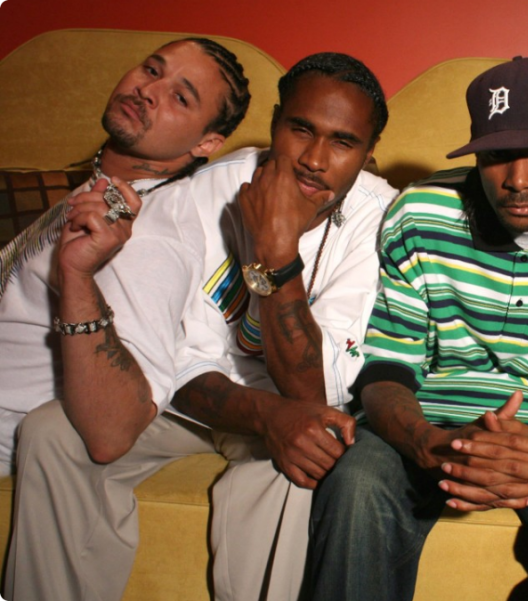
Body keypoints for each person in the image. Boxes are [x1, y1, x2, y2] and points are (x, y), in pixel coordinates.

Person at [4, 52, 395, 601]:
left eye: (343, 142)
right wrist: (267, 414)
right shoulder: (194, 197)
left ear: (368, 154)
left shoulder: (382, 220)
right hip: (189, 401)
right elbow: (174, 357)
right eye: (300, 129)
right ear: (275, 123)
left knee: (309, 446)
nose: (313, 159)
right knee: (54, 430)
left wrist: (276, 253)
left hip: (291, 405)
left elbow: (315, 391)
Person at [303, 56, 528, 601]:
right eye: (497, 156)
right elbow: (385, 370)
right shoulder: (420, 213)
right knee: (355, 481)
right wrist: (428, 443)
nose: (518, 180)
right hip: (426, 421)